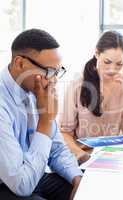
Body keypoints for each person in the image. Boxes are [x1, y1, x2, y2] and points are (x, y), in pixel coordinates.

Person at [0, 29, 82, 200]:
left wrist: (77, 178)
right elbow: (22, 185)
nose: (54, 80)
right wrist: (46, 119)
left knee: (87, 188)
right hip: (9, 185)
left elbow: (57, 149)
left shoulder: (36, 90)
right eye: (49, 71)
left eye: (58, 72)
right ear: (20, 63)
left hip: (33, 175)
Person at [60, 30, 123, 164]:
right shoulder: (78, 84)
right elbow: (65, 133)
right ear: (97, 53)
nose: (112, 69)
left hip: (117, 157)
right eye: (107, 62)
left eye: (119, 64)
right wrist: (80, 155)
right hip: (85, 156)